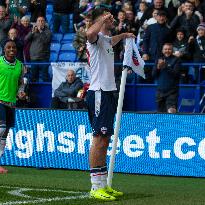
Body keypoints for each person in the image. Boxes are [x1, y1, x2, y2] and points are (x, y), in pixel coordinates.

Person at [86, 7, 135, 201]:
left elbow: (111, 40)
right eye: (109, 16)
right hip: (98, 92)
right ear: (102, 19)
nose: (113, 18)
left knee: (105, 139)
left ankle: (104, 184)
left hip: (108, 93)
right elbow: (90, 33)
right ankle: (95, 186)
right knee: (98, 138)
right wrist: (102, 18)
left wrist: (123, 35)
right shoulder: (94, 37)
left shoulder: (105, 40)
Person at [0, 40, 26, 173]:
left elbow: (21, 83)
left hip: (11, 103)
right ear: (4, 49)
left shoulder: (20, 66)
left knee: (6, 133)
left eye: (14, 47)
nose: (11, 49)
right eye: (8, 47)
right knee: (1, 128)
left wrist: (20, 92)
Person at [152, 43, 180, 113]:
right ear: (162, 50)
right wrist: (158, 68)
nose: (167, 51)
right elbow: (153, 75)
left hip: (172, 92)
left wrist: (166, 66)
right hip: (160, 92)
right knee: (160, 114)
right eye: (165, 49)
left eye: (169, 49)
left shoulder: (176, 60)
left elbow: (176, 74)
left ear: (172, 50)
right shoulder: (158, 60)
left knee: (171, 112)